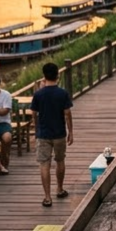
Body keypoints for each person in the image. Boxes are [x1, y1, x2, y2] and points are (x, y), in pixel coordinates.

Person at [31, 62, 73, 208]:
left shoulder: (38, 94)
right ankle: (60, 189)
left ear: (44, 76)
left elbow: (34, 114)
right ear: (57, 75)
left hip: (43, 133)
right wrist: (71, 132)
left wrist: (37, 130)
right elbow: (67, 113)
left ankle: (47, 197)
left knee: (44, 164)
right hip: (59, 133)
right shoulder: (62, 93)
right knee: (60, 160)